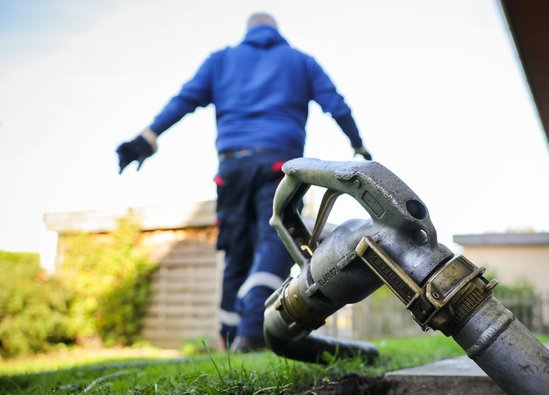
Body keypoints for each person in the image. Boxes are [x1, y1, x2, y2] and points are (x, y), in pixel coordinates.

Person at [116, 13, 371, 352]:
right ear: (277, 32)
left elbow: (184, 100)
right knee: (273, 240)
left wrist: (147, 137)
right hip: (280, 165)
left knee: (236, 253)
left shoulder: (221, 60)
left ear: (247, 32)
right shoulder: (300, 62)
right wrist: (357, 144)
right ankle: (252, 332)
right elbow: (336, 105)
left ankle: (231, 336)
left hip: (232, 166)